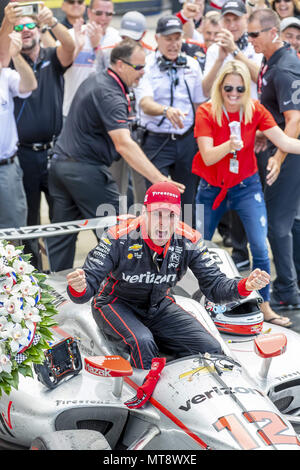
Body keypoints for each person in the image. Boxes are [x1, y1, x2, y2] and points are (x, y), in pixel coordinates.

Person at [66, 181, 271, 370]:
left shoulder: (189, 239)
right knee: (143, 343)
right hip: (115, 304)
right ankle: (144, 402)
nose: (163, 223)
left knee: (210, 347)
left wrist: (246, 286)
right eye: (157, 214)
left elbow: (214, 287)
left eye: (171, 215)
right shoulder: (118, 236)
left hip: (158, 305)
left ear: (179, 216)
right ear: (144, 213)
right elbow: (87, 287)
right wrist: (79, 286)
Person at [47, 39, 185, 273]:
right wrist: (159, 179)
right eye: (138, 67)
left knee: (62, 236)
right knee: (121, 231)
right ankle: (128, 289)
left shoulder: (98, 81)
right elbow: (124, 144)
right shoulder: (110, 93)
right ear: (120, 65)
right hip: (84, 170)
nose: (142, 73)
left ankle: (59, 294)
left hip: (60, 166)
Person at [192, 59, 300, 326]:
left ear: (246, 90)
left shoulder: (254, 110)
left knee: (260, 248)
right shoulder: (207, 111)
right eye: (228, 87)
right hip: (211, 189)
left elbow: (284, 140)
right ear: (220, 87)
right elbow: (206, 157)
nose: (233, 94)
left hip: (245, 186)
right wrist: (230, 144)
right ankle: (197, 304)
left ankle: (264, 306)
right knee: (196, 247)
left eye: (240, 89)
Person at [0, 3, 75, 269]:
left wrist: (53, 22)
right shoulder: (8, 65)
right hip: (23, 154)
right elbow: (3, 55)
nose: (25, 31)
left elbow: (70, 47)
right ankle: (35, 277)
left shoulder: (52, 57)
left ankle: (61, 271)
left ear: (38, 28)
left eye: (29, 25)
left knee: (61, 217)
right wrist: (9, 26)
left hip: (54, 152)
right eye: (19, 28)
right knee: (28, 222)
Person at [248, 8, 300, 309]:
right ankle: (292, 283)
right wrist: (266, 134)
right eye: (248, 34)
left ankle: (287, 291)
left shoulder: (284, 67)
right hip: (278, 148)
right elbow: (278, 115)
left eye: (255, 34)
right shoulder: (269, 62)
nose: (250, 39)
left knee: (278, 224)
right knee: (289, 221)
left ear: (272, 33)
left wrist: (278, 157)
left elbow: (293, 120)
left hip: (288, 155)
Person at [135, 15, 206, 228]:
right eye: (168, 39)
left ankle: (185, 250)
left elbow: (200, 103)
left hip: (186, 141)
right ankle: (155, 249)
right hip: (156, 141)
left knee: (188, 200)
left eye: (177, 38)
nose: (174, 44)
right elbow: (144, 103)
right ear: (157, 38)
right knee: (156, 198)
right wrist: (165, 111)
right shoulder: (146, 65)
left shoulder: (191, 65)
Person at [0, 31, 37, 229]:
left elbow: (30, 84)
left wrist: (16, 55)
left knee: (13, 233)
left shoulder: (5, 76)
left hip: (6, 168)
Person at [62, 0, 120, 118]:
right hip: (73, 111)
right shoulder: (72, 35)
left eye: (108, 14)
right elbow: (59, 66)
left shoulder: (116, 39)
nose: (103, 18)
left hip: (104, 113)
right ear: (89, 12)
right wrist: (78, 46)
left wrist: (97, 47)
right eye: (98, 13)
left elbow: (115, 77)